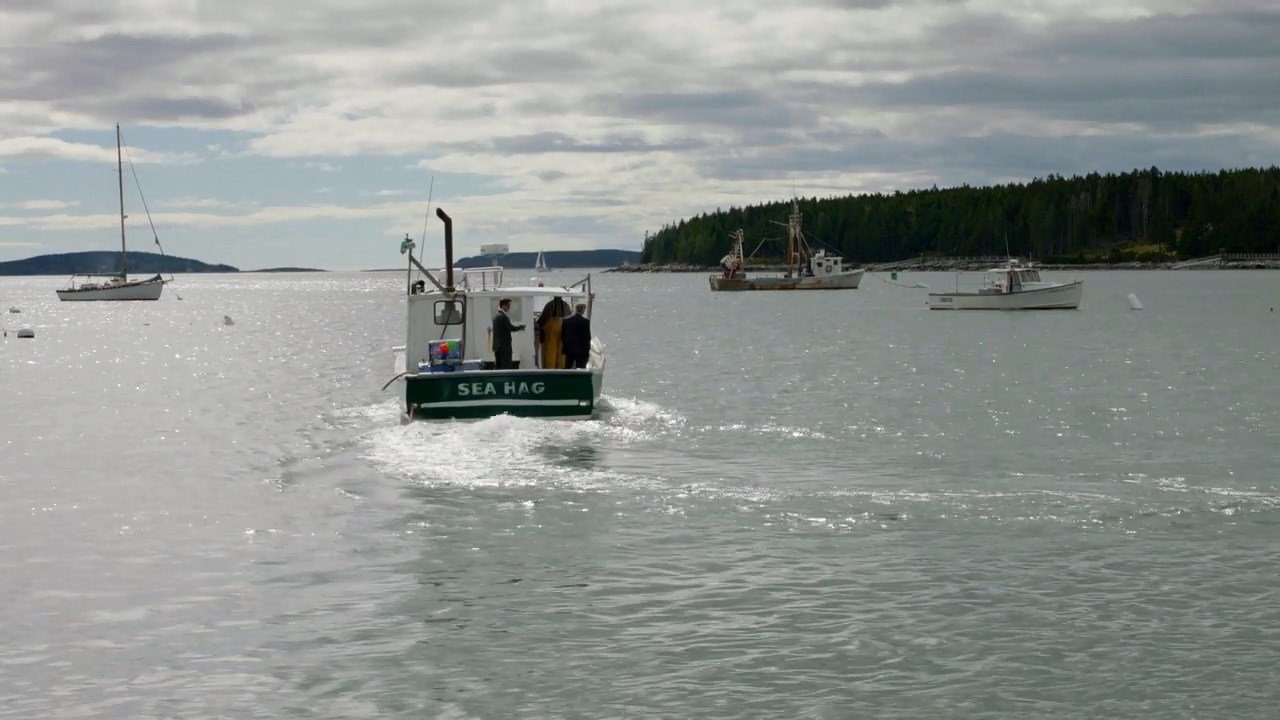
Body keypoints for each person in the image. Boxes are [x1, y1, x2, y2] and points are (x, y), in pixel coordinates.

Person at [536, 295, 571, 369]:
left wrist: (538, 323)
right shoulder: (566, 305)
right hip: (563, 331)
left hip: (551, 332)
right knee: (561, 352)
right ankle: (560, 369)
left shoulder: (549, 305)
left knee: (550, 352)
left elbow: (543, 318)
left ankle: (550, 369)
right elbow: (570, 317)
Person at [491, 298, 525, 369]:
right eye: (508, 305)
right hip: (504, 347)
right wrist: (520, 327)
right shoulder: (503, 317)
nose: (509, 307)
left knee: (498, 366)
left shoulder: (496, 316)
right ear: (504, 305)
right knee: (506, 366)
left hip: (497, 346)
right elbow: (511, 328)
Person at [561, 303, 592, 369]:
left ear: (576, 309)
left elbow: (562, 336)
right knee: (580, 368)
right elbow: (587, 337)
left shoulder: (566, 321)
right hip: (581, 350)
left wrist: (565, 346)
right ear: (582, 310)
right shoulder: (585, 322)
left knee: (567, 367)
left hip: (569, 349)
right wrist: (587, 349)